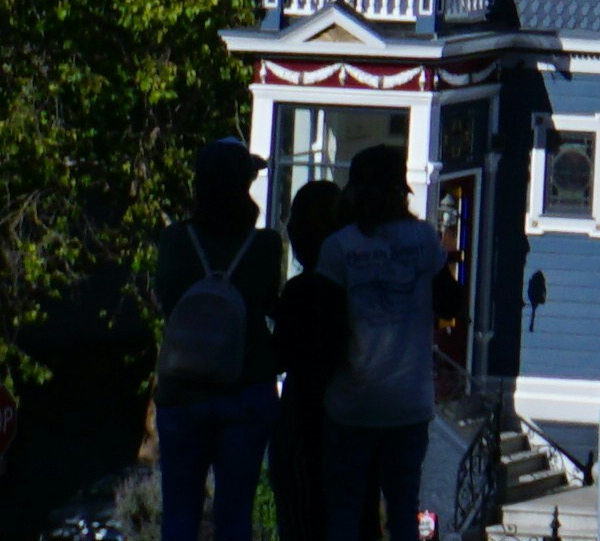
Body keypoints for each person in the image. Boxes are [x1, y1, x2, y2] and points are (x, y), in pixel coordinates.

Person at [303, 146, 458, 541]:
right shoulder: (423, 240)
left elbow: (323, 327)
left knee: (345, 514)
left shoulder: (339, 248)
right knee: (404, 515)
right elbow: (452, 301)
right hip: (408, 401)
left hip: (352, 401)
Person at [138, 140, 289, 541]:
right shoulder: (266, 245)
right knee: (235, 515)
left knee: (179, 515)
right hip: (247, 387)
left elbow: (167, 299)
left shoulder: (175, 240)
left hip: (183, 389)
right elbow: (269, 303)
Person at [271, 184, 356, 541]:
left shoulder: (304, 291)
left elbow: (280, 356)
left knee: (301, 521)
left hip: (304, 424)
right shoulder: (357, 289)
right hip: (349, 424)